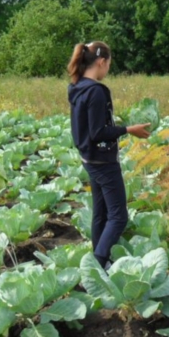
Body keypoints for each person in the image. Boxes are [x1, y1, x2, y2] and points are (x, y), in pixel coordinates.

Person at [67, 41, 151, 269]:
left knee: (101, 212)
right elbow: (97, 132)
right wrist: (127, 130)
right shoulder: (95, 91)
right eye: (108, 65)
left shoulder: (76, 86)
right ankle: (98, 262)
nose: (108, 70)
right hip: (102, 160)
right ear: (101, 62)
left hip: (88, 158)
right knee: (119, 217)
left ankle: (98, 259)